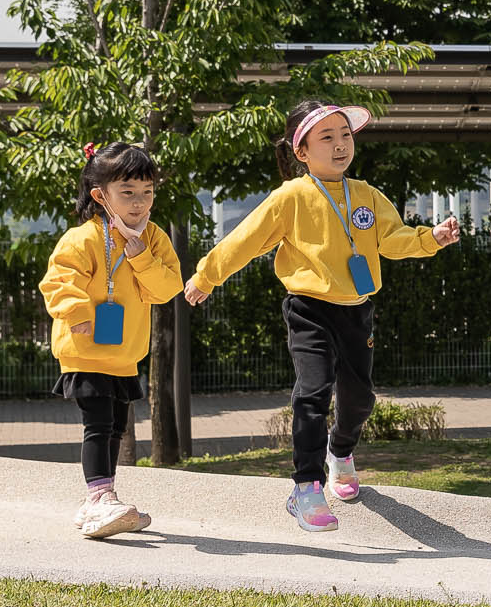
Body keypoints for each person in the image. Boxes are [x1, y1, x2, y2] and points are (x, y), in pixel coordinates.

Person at [184, 102, 460, 531]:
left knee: (360, 398)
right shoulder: (291, 197)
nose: (340, 145)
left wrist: (431, 239)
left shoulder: (366, 194)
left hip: (356, 310)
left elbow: (393, 239)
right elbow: (244, 240)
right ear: (302, 152)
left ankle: (341, 451)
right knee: (312, 392)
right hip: (308, 309)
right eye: (326, 138)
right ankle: (306, 487)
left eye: (345, 135)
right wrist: (206, 276)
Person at [40, 142, 187, 540]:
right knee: (99, 424)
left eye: (147, 192)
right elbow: (58, 281)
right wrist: (78, 314)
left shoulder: (153, 238)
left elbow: (166, 288)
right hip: (85, 352)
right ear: (100, 195)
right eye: (128, 192)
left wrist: (141, 256)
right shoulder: (82, 238)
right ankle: (100, 496)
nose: (139, 202)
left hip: (124, 356)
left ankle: (100, 501)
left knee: (116, 428)